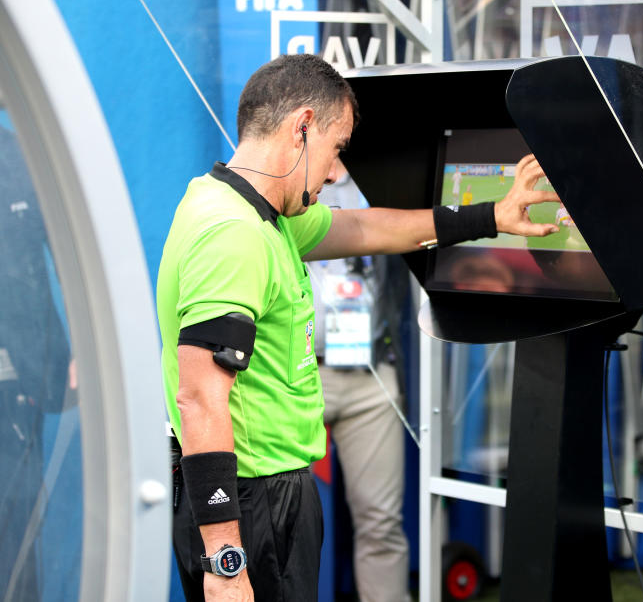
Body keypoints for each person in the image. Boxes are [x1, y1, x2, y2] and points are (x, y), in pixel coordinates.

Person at [156, 53, 559, 602]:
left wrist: (491, 216)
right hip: (253, 503)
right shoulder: (234, 234)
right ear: (302, 127)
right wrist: (227, 562)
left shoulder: (250, 211)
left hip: (266, 495)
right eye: (336, 149)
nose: (331, 172)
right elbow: (199, 397)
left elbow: (367, 227)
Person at [305, 164, 411, 602]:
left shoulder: (383, 176)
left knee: (381, 520)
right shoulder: (287, 170)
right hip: (297, 373)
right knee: (275, 518)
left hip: (371, 373)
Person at [0, 125, 73, 601]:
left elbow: (73, 252)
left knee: (17, 537)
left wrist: (85, 349)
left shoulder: (20, 151)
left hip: (14, 386)